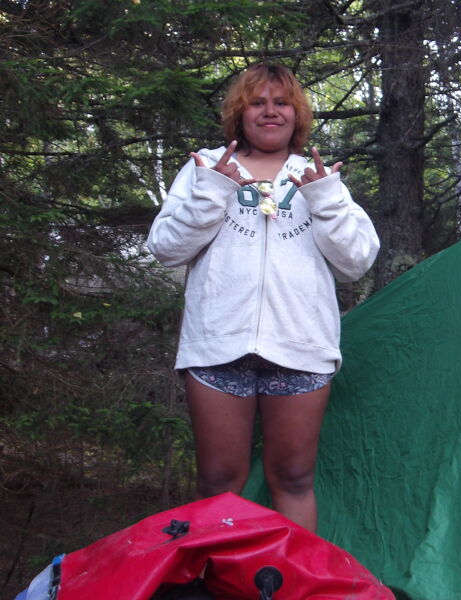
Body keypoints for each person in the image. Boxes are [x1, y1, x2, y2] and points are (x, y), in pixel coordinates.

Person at [147, 63, 379, 533]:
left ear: (297, 114)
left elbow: (356, 261)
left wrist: (326, 198)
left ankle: (293, 584)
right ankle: (221, 583)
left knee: (293, 477)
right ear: (240, 111)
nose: (270, 111)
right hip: (218, 342)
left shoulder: (316, 174)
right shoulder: (205, 168)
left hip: (300, 346)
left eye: (281, 102)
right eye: (257, 101)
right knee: (217, 480)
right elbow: (166, 249)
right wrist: (213, 190)